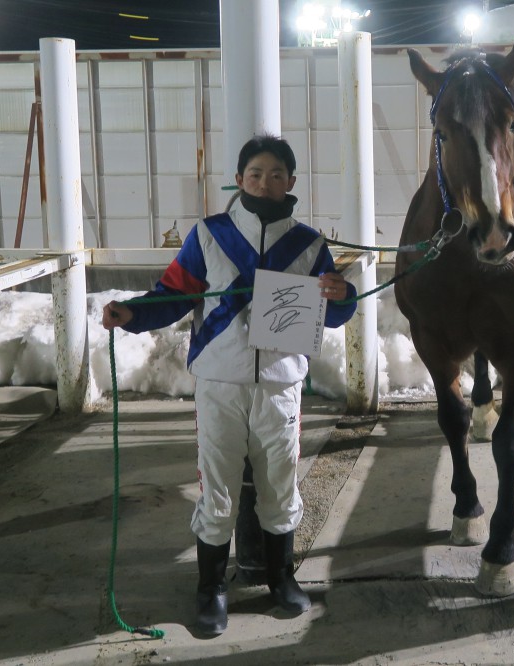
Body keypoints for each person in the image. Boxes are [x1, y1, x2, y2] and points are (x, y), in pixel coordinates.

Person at [102, 134, 358, 636]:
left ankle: (281, 579)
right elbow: (173, 294)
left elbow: (335, 309)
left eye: (277, 174)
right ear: (239, 180)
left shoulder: (310, 244)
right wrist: (132, 312)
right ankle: (211, 587)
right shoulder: (209, 235)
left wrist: (343, 293)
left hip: (281, 384)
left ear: (291, 182)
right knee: (216, 488)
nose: (266, 182)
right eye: (256, 173)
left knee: (279, 484)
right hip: (220, 382)